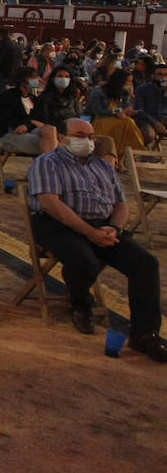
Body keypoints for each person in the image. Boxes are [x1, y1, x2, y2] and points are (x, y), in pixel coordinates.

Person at [28, 118, 167, 356]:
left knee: (146, 264)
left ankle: (144, 334)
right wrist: (90, 233)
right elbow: (51, 204)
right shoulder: (48, 163)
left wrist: (115, 228)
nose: (87, 142)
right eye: (80, 136)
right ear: (62, 138)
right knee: (84, 259)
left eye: (91, 137)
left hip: (103, 226)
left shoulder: (102, 166)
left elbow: (121, 204)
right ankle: (81, 303)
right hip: (60, 225)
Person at [0, 66, 58, 160]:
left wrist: (28, 124)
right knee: (50, 143)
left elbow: (41, 121)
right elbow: (5, 120)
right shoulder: (7, 97)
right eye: (33, 78)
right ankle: (47, 168)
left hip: (30, 131)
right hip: (10, 134)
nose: (37, 80)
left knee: (51, 130)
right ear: (22, 80)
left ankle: (46, 166)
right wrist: (30, 122)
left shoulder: (34, 99)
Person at [88, 69, 149, 160]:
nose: (129, 84)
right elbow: (98, 112)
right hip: (101, 121)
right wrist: (118, 111)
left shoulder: (124, 91)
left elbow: (126, 105)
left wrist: (129, 109)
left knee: (127, 122)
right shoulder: (98, 92)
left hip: (118, 120)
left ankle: (122, 157)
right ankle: (141, 151)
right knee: (127, 122)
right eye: (128, 81)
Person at [133, 62, 167, 145]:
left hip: (165, 119)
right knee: (149, 135)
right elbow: (139, 110)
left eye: (166, 75)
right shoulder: (142, 89)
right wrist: (155, 122)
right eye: (160, 74)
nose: (163, 77)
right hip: (148, 120)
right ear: (153, 76)